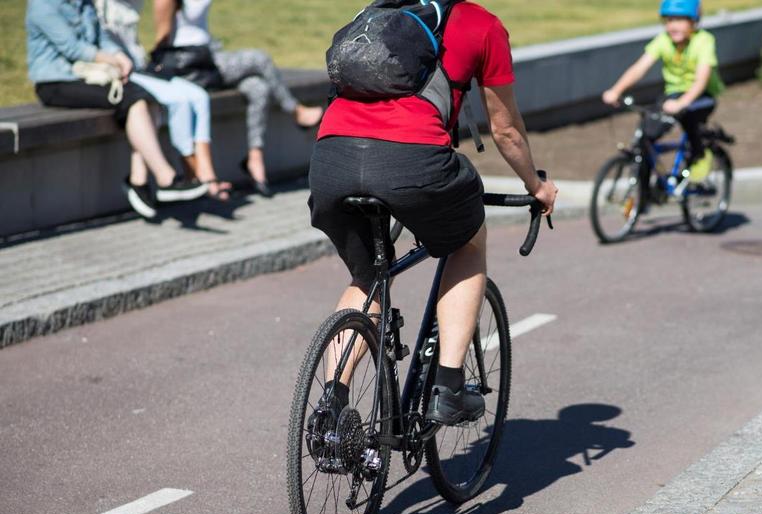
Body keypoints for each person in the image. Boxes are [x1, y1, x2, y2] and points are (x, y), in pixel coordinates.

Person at [307, 1, 558, 425]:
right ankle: (450, 387)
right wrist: (536, 186)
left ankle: (329, 408)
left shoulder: (375, 11)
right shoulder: (481, 24)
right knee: (468, 239)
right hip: (414, 160)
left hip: (331, 159)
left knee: (368, 276)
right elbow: (506, 129)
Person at [26, 0, 208, 218]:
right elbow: (72, 47)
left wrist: (120, 56)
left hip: (90, 77)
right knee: (132, 99)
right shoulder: (43, 5)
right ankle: (165, 178)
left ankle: (138, 180)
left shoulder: (84, 3)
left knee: (146, 97)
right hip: (57, 82)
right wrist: (112, 60)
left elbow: (101, 37)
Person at [153, 0, 324, 196]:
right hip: (189, 66)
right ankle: (296, 110)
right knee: (259, 58)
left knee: (258, 88)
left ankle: (255, 156)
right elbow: (161, 38)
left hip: (207, 59)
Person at [96, 0, 230, 200]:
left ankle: (205, 171)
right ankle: (188, 172)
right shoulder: (96, 6)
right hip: (122, 68)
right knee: (177, 100)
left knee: (199, 96)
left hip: (139, 63)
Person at [602, 0, 724, 182]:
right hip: (673, 95)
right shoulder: (663, 40)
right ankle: (644, 191)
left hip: (701, 96)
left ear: (694, 22)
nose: (673, 26)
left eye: (680, 20)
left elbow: (701, 80)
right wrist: (616, 90)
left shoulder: (704, 41)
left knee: (688, 115)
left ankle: (699, 154)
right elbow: (639, 68)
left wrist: (682, 103)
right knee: (646, 133)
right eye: (669, 20)